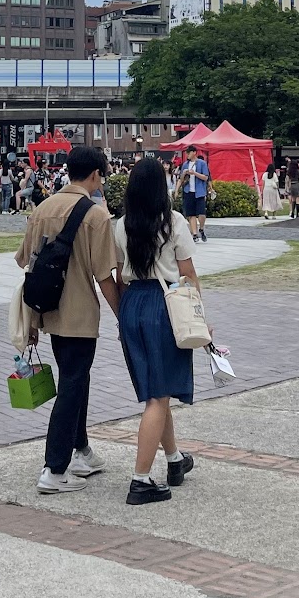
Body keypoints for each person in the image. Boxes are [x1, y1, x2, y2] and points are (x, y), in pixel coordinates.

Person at [16, 144, 120, 495]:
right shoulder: (96, 215)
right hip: (79, 311)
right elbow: (105, 275)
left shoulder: (42, 208)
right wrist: (123, 316)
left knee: (76, 378)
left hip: (47, 308)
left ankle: (82, 451)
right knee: (73, 384)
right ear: (95, 174)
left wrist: (31, 320)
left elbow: (25, 261)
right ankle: (55, 468)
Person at [112, 155, 203, 505]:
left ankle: (175, 459)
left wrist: (124, 315)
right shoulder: (173, 222)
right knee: (158, 395)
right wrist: (199, 314)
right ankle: (140, 479)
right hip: (164, 303)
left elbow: (119, 274)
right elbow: (188, 274)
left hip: (132, 303)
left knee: (156, 389)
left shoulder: (121, 225)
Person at [178, 146, 211, 242]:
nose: (187, 155)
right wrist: (184, 173)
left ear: (194, 152)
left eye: (188, 153)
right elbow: (181, 179)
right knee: (191, 214)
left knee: (201, 214)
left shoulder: (202, 163)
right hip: (188, 191)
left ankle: (201, 228)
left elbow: (205, 177)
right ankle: (195, 234)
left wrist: (194, 173)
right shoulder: (185, 164)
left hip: (199, 192)